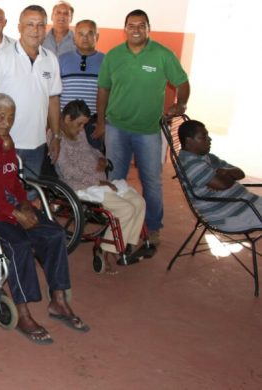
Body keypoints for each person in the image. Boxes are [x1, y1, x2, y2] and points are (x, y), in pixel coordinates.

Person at [0, 93, 88, 345]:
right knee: (19, 245)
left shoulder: (6, 141)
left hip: (7, 206)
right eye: (1, 117)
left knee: (54, 233)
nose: (6, 122)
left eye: (11, 117)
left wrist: (25, 204)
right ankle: (23, 313)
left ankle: (58, 301)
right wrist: (15, 212)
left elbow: (14, 181)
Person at [96, 9, 190, 246]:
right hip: (116, 128)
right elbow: (103, 89)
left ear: (148, 29)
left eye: (141, 25)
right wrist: (100, 122)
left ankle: (154, 226)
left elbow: (182, 82)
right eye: (131, 25)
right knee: (115, 178)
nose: (136, 29)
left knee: (152, 181)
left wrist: (181, 104)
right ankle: (117, 222)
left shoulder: (162, 55)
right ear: (124, 29)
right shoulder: (114, 56)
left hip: (148, 131)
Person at [55, 100, 146, 271]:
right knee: (126, 209)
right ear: (67, 118)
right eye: (79, 124)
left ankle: (126, 244)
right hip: (81, 186)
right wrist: (98, 181)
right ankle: (105, 250)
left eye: (84, 124)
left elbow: (89, 150)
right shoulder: (56, 138)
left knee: (139, 202)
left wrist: (101, 157)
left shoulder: (78, 133)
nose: (82, 128)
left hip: (100, 183)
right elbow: (68, 171)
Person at [0, 4, 62, 182]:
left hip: (38, 144)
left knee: (31, 195)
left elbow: (53, 99)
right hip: (5, 142)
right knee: (4, 194)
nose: (35, 30)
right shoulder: (3, 56)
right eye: (30, 24)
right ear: (19, 27)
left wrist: (56, 135)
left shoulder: (51, 59)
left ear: (46, 28)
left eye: (40, 25)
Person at [178, 120, 262, 232]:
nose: (209, 139)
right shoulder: (191, 165)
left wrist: (226, 172)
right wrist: (228, 175)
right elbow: (223, 185)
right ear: (189, 141)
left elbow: (240, 173)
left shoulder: (207, 156)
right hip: (230, 216)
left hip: (246, 204)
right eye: (203, 137)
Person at [58, 20, 104, 150]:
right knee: (63, 163)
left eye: (90, 33)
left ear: (97, 37)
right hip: (66, 122)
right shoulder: (61, 60)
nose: (85, 38)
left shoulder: (106, 61)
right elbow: (54, 94)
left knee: (93, 162)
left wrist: (101, 123)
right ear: (74, 38)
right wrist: (57, 122)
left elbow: (110, 95)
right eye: (80, 34)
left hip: (92, 124)